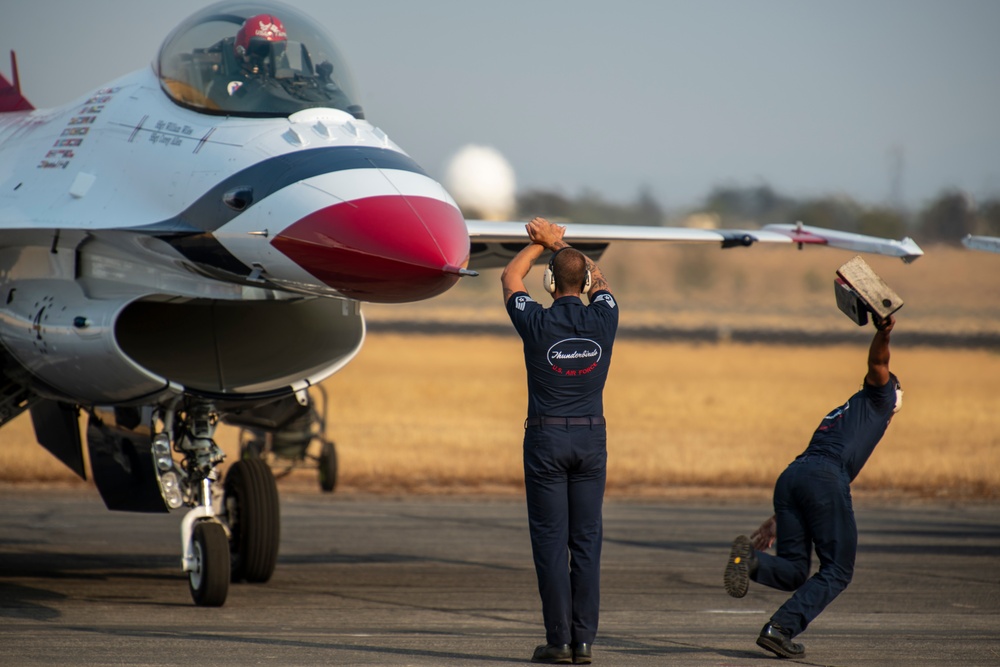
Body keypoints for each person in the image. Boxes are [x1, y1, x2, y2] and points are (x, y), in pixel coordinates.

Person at [724, 314, 902, 659]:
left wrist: (778, 517)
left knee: (793, 570)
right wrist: (884, 333)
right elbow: (879, 361)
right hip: (823, 479)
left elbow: (809, 470)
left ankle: (749, 561)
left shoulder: (842, 413)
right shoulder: (880, 396)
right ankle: (780, 629)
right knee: (837, 569)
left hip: (794, 477)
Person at [501, 217, 619, 665]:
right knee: (586, 541)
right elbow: (599, 278)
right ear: (586, 282)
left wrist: (539, 244)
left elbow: (510, 277)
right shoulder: (605, 316)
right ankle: (584, 642)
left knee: (551, 543)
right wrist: (559, 243)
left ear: (549, 283)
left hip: (546, 438)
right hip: (591, 438)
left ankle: (558, 641)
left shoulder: (536, 322)